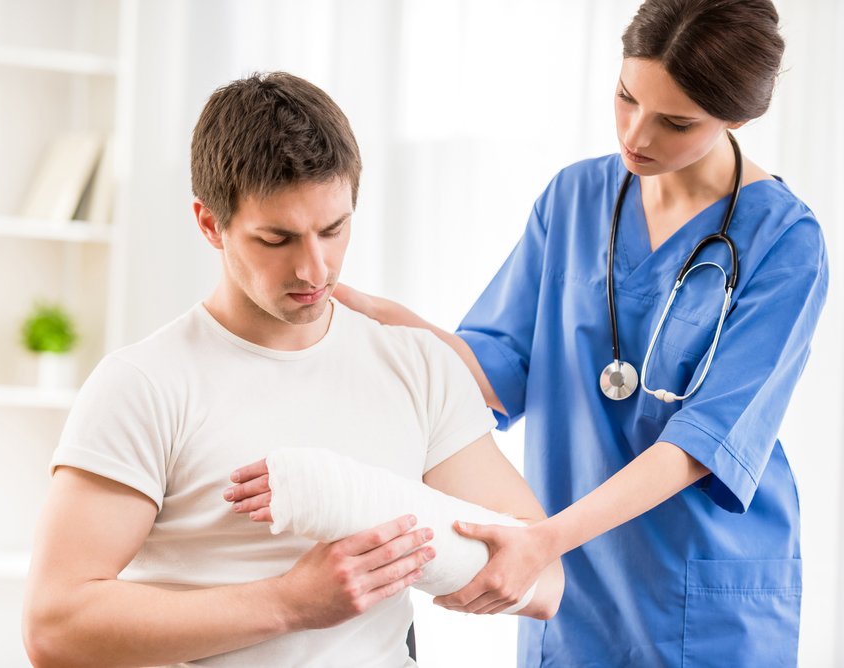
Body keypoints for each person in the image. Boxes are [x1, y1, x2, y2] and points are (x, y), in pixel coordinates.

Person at [310, 1, 827, 665]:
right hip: (575, 588)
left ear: (739, 117)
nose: (636, 134)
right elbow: (498, 375)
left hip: (706, 599)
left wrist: (546, 540)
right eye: (625, 96)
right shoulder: (574, 199)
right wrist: (401, 328)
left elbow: (705, 443)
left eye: (675, 122)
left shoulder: (784, 242)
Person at [21, 72, 563, 668]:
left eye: (333, 230)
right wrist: (290, 604)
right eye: (276, 239)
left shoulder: (417, 366)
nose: (314, 269)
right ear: (209, 224)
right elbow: (55, 627)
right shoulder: (144, 385)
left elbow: (542, 574)